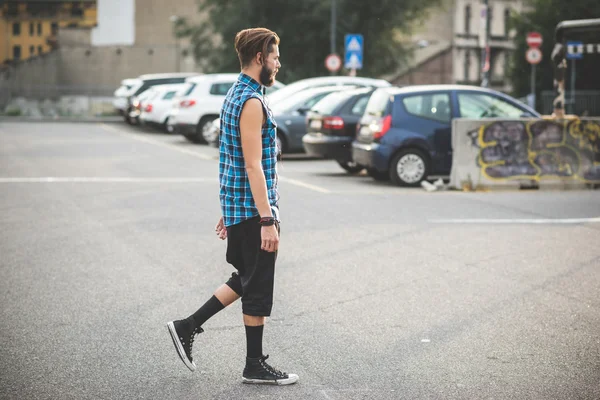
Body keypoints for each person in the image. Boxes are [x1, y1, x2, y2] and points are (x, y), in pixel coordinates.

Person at [166, 27, 298, 386]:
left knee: (245, 278)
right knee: (256, 286)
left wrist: (231, 208)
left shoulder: (235, 95)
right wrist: (266, 219)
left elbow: (232, 160)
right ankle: (253, 365)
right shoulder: (252, 102)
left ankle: (187, 326)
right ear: (259, 58)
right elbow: (252, 165)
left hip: (243, 208)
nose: (278, 63)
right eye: (274, 57)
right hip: (256, 213)